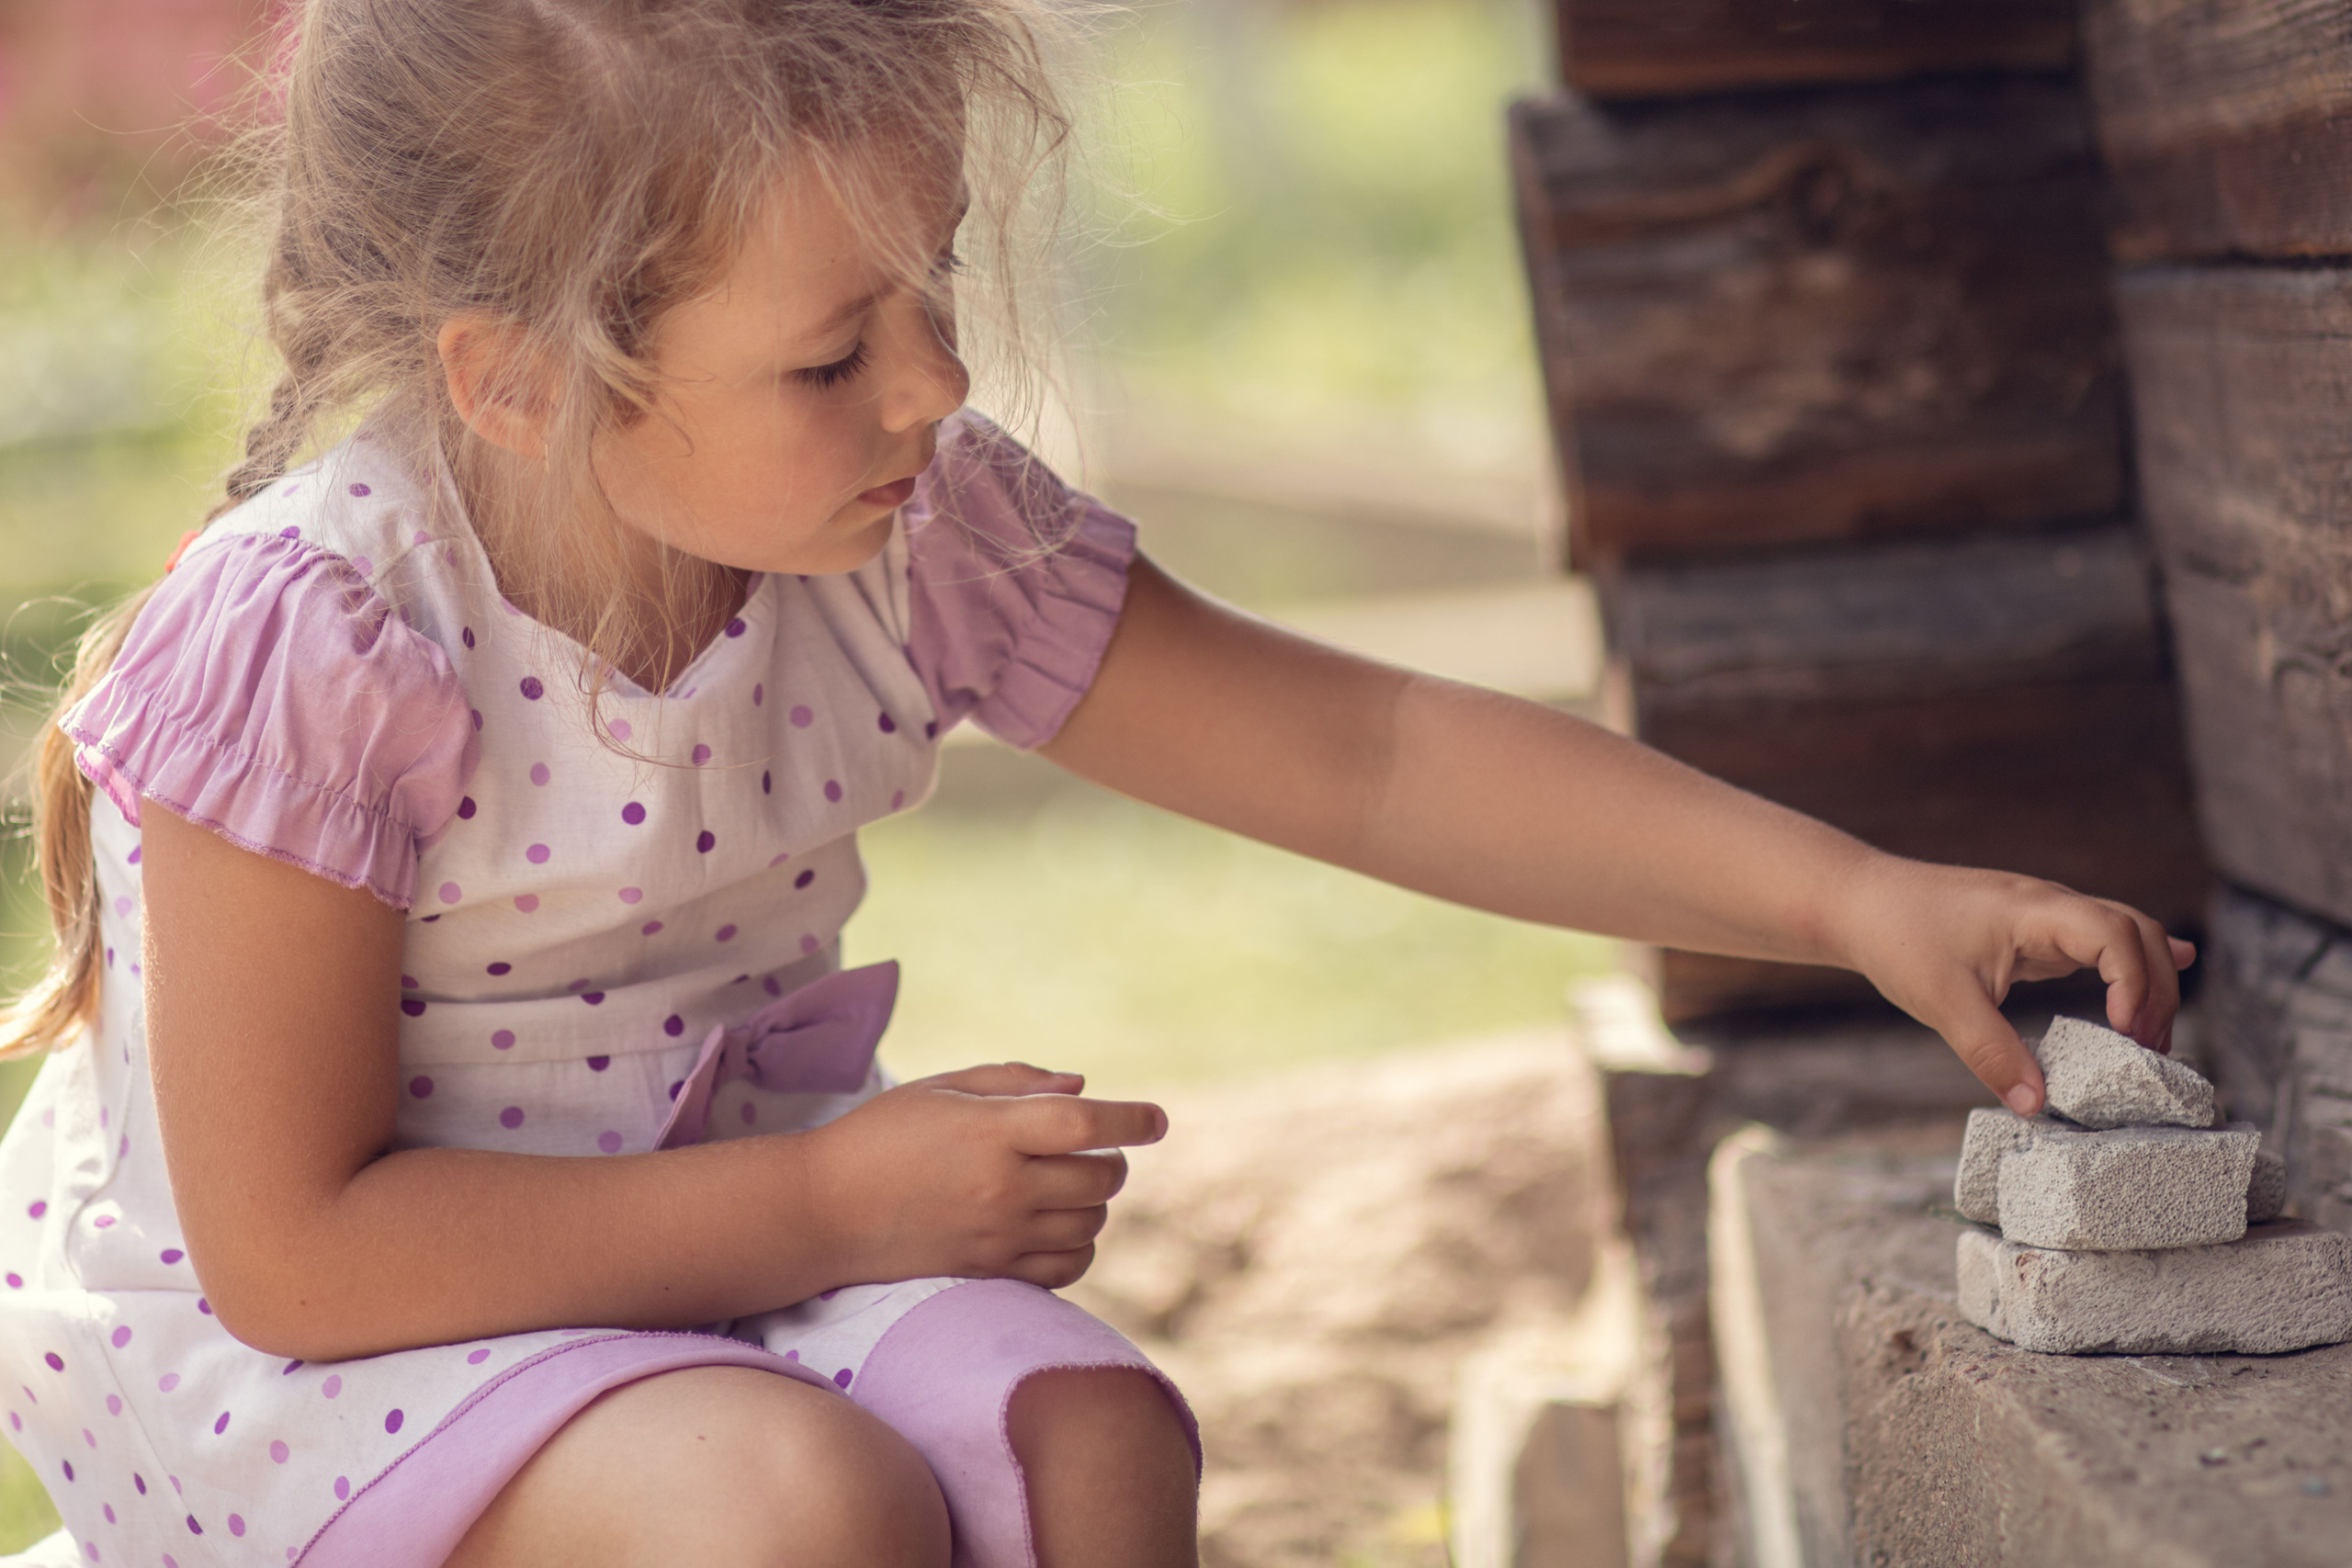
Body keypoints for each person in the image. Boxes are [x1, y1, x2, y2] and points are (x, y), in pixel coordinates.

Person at [0, 1, 2192, 1564]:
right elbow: (294, 1252)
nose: (935, 383)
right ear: (519, 379)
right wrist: (841, 1205)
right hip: (303, 1344)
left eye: (935, 281)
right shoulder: (320, 640)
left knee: (1086, 1433)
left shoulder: (899, 526)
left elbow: (1368, 748)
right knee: (799, 1513)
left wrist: (1842, 896)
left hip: (698, 1230)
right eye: (832, 347)